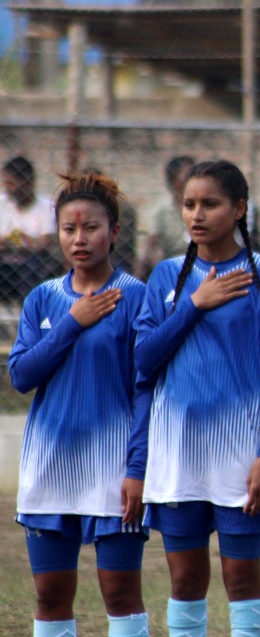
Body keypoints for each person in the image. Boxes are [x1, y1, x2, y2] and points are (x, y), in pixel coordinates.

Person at [134, 160, 260, 637]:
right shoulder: (166, 278)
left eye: (210, 204)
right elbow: (143, 360)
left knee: (241, 576)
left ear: (239, 208)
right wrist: (194, 304)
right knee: (185, 578)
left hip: (241, 457)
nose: (196, 215)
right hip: (178, 453)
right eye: (188, 204)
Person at [9, 172, 150, 637]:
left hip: (114, 469)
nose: (79, 238)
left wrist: (138, 468)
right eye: (69, 229)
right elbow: (23, 376)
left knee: (120, 594)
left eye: (91, 227)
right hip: (50, 466)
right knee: (50, 596)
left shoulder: (137, 298)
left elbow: (147, 389)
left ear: (114, 232)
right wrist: (72, 321)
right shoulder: (42, 299)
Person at [0, 156, 58, 302]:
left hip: (31, 267)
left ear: (28, 182)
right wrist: (20, 240)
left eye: (12, 183)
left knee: (33, 263)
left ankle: (28, 312)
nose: (7, 188)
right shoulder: (2, 203)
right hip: (5, 263)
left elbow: (43, 245)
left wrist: (16, 241)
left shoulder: (47, 207)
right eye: (6, 183)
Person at [138, 155, 194, 279]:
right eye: (187, 175)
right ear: (174, 180)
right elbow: (151, 245)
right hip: (173, 268)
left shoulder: (205, 207)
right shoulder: (162, 211)